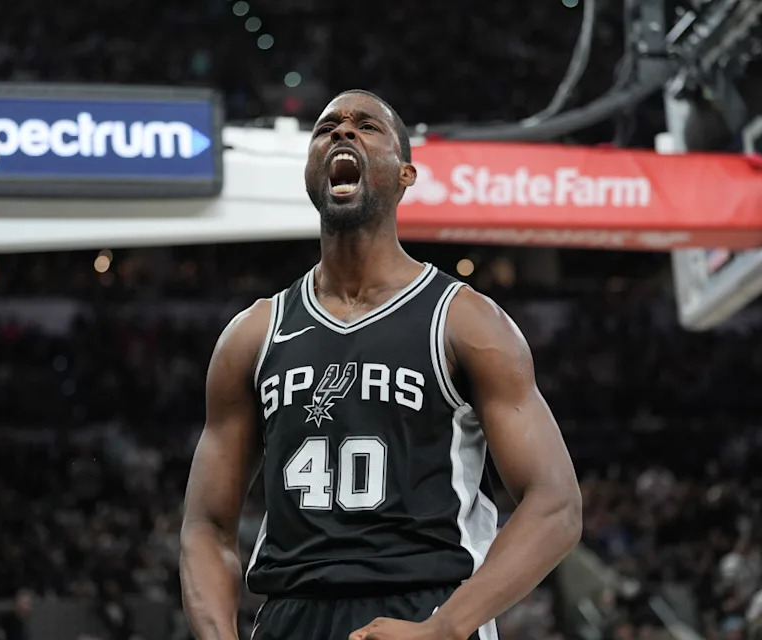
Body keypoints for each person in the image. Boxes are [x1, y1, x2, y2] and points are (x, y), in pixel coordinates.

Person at [179, 90, 583, 640]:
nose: (342, 132)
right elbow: (206, 524)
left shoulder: (464, 321)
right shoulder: (253, 333)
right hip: (291, 614)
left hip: (427, 608)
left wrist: (447, 628)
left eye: (366, 126)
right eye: (326, 128)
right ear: (308, 170)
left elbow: (556, 503)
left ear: (405, 175)